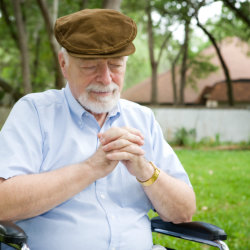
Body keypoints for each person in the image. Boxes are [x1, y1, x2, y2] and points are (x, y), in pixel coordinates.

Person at [0, 9, 196, 250]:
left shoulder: (141, 117)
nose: (105, 79)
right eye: (90, 67)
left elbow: (184, 211)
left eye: (115, 65)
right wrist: (90, 169)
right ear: (64, 64)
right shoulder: (36, 112)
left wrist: (145, 170)